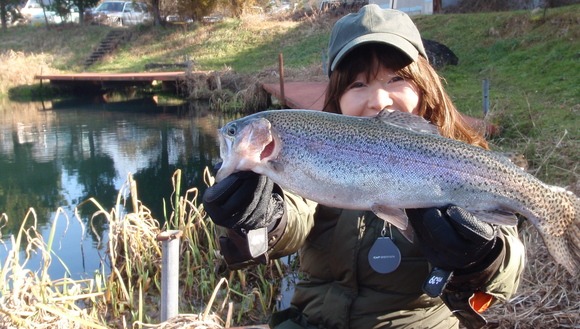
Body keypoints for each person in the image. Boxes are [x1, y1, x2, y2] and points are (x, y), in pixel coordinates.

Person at [202, 4, 525, 329]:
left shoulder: (462, 160)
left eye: (397, 79)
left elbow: (507, 271)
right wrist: (260, 217)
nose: (378, 99)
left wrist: (483, 257)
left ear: (425, 88)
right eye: (358, 85)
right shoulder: (310, 155)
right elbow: (292, 213)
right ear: (337, 98)